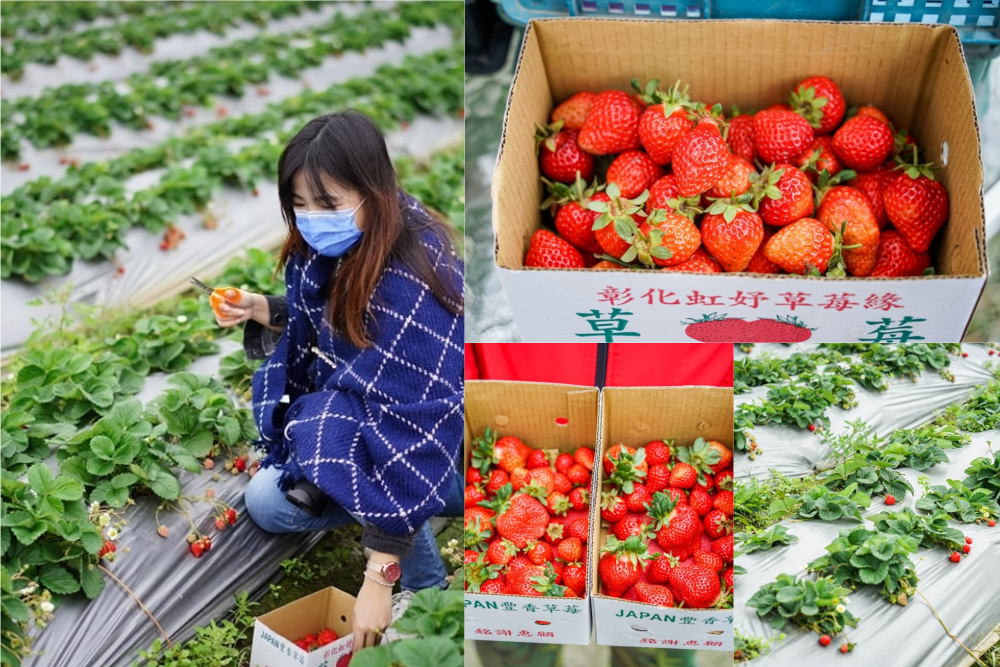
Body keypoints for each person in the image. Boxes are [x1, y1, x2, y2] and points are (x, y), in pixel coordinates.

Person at [212, 110, 464, 653]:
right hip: (377, 416)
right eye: (298, 204)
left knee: (345, 443)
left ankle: (427, 590)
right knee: (270, 501)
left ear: (374, 189)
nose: (309, 218)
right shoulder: (343, 246)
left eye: (326, 204)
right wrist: (262, 308)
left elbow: (414, 430)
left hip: (448, 449)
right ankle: (373, 505)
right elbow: (335, 325)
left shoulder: (407, 283)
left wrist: (380, 576)